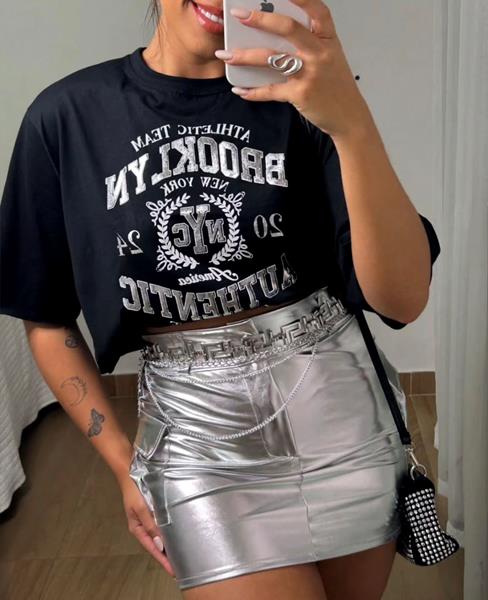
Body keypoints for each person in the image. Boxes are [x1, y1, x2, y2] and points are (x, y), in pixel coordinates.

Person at [0, 1, 440, 598]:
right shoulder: (67, 116)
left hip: (343, 418)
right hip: (196, 438)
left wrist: (351, 123)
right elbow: (46, 316)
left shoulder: (308, 95)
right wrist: (124, 462)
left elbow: (404, 299)